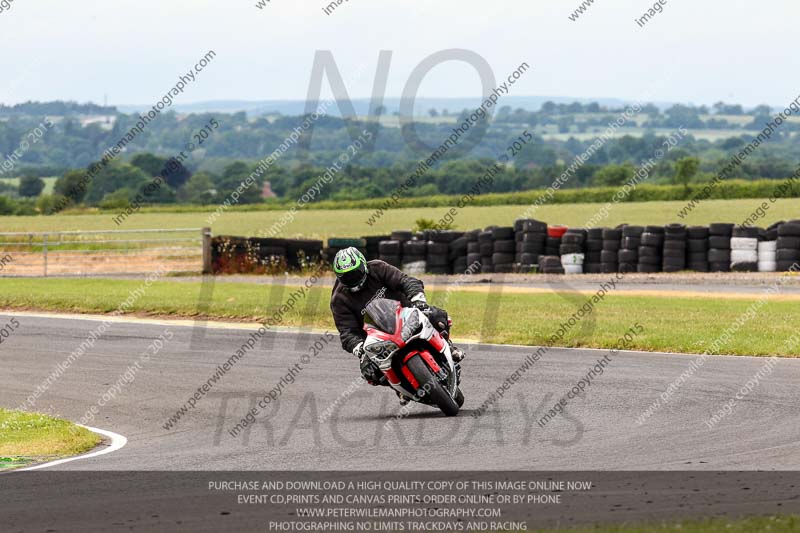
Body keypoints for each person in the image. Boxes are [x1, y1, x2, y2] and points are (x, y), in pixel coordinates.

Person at [329, 247, 465, 401]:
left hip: (405, 314)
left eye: (355, 273)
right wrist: (360, 349)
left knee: (437, 317)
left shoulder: (378, 268)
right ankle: (399, 387)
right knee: (369, 371)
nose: (352, 279)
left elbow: (406, 281)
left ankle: (448, 346)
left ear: (363, 265)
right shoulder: (339, 299)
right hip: (378, 335)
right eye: (346, 277)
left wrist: (419, 301)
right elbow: (347, 333)